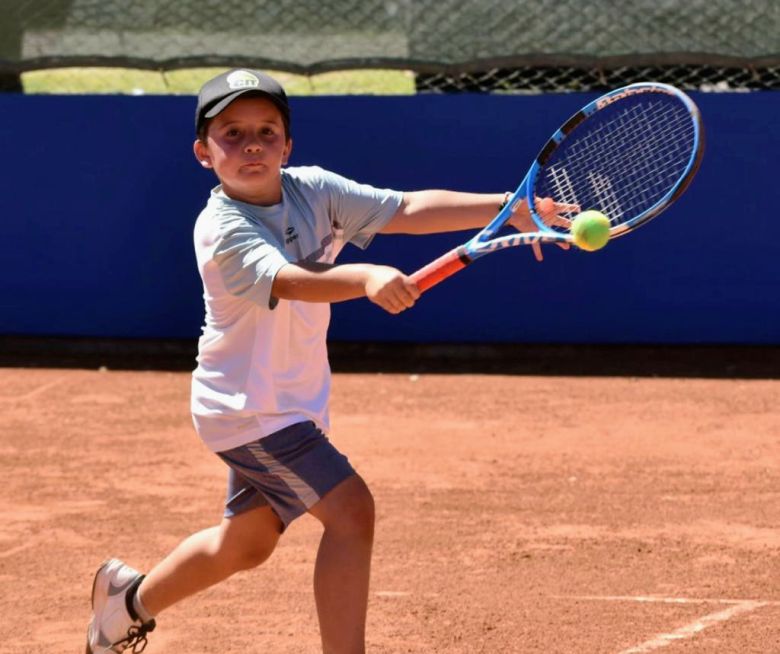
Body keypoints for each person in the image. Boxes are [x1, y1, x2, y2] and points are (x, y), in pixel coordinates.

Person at [85, 68, 568, 654]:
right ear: (203, 153)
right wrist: (366, 276)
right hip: (248, 408)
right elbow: (289, 280)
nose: (252, 144)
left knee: (246, 544)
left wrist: (507, 205)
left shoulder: (313, 189)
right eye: (231, 133)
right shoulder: (219, 227)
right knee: (351, 511)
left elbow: (407, 208)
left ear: (287, 146)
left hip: (291, 400)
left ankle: (126, 603)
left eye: (266, 130)